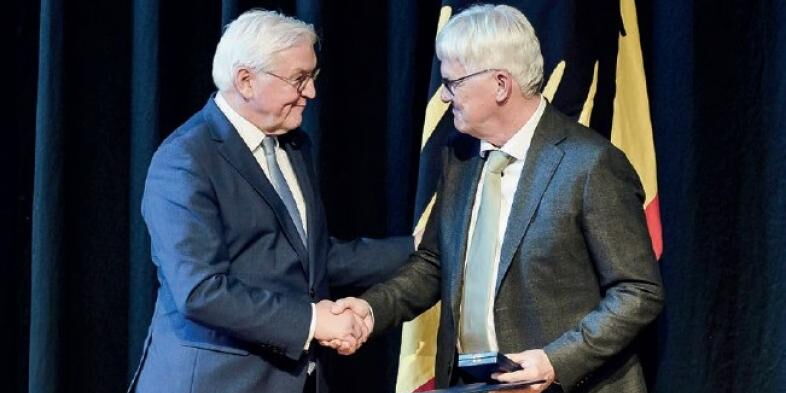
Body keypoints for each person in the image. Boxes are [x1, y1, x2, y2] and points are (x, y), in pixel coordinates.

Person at [333, 4, 664, 392]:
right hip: (470, 384)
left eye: (452, 82)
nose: (442, 96)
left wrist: (555, 361)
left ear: (501, 85)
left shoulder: (590, 165)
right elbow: (436, 263)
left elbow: (638, 291)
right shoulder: (460, 157)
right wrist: (372, 310)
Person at [128, 9, 412, 393]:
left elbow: (311, 261)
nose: (310, 92)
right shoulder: (186, 159)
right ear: (246, 81)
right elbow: (200, 290)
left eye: (312, 77)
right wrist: (313, 322)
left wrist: (424, 246)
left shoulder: (293, 145)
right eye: (299, 79)